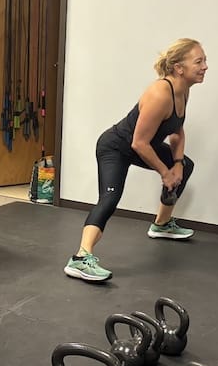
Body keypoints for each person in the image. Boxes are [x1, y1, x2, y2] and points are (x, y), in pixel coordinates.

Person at [64, 39, 207, 282]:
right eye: (199, 61)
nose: (205, 66)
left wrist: (177, 163)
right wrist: (165, 172)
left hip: (142, 146)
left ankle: (161, 224)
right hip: (115, 147)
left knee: (185, 165)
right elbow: (139, 143)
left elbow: (177, 130)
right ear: (179, 68)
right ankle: (80, 258)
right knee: (110, 198)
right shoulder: (160, 93)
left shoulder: (183, 90)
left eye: (204, 61)